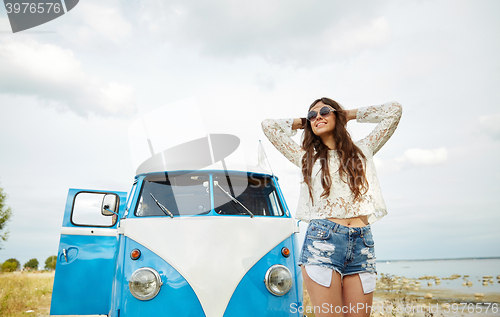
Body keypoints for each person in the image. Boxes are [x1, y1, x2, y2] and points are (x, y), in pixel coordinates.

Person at [261, 98, 402, 317]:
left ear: (337, 115)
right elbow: (268, 126)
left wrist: (347, 114)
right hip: (322, 243)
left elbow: (394, 111)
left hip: (362, 243)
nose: (318, 117)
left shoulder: (364, 149)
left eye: (325, 111)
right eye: (312, 115)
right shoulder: (306, 158)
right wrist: (303, 121)